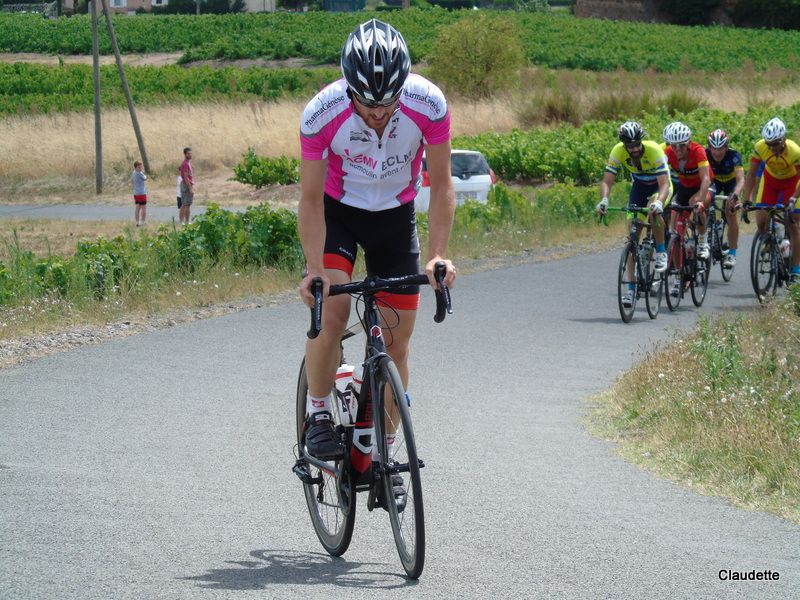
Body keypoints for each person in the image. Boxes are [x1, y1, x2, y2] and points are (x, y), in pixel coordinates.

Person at [297, 19, 456, 461]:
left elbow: (441, 185)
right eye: (368, 107)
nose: (380, 114)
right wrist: (313, 270)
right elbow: (309, 201)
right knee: (332, 310)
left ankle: (384, 449)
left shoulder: (429, 104)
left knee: (397, 342)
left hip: (394, 216)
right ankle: (318, 413)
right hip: (338, 215)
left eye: (388, 104)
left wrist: (439, 254)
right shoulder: (321, 113)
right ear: (349, 90)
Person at [596, 121, 671, 309]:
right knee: (632, 236)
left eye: (637, 144)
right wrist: (604, 200)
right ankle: (631, 288)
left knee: (653, 210)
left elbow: (664, 184)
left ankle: (661, 251)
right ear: (624, 145)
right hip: (639, 186)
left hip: (659, 186)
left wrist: (660, 202)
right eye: (630, 146)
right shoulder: (618, 152)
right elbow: (607, 180)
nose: (635, 149)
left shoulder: (654, 150)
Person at [741, 117, 800, 282]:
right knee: (760, 221)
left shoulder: (795, 151)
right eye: (769, 144)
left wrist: (793, 198)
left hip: (792, 182)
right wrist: (747, 199)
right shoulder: (760, 147)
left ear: (783, 140)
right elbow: (751, 174)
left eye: (775, 143)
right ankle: (770, 241)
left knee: (794, 222)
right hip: (771, 182)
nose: (772, 147)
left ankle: (796, 270)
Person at [662, 121, 714, 266]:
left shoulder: (698, 151)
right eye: (674, 145)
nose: (677, 149)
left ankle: (703, 241)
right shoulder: (668, 153)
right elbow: (660, 175)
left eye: (681, 145)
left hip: (704, 186)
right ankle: (679, 267)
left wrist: (700, 201)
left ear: (688, 143)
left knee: (695, 203)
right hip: (684, 187)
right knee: (673, 220)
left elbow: (705, 179)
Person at [705, 129, 745, 268]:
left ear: (726, 147)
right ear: (710, 147)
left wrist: (735, 195)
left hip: (730, 184)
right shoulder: (704, 154)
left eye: (721, 148)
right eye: (714, 148)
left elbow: (740, 180)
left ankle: (732, 254)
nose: (717, 152)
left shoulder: (734, 156)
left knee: (730, 211)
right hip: (714, 182)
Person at [178, 147, 194, 225]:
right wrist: (190, 188)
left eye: (190, 153)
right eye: (188, 153)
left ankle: (181, 221)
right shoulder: (185, 164)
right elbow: (185, 177)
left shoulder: (187, 163)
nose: (190, 155)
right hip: (186, 185)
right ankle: (187, 222)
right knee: (187, 204)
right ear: (185, 154)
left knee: (184, 204)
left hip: (186, 185)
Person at [131, 160, 147, 227]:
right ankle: (142, 222)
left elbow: (132, 181)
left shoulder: (133, 173)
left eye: (141, 167)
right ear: (135, 167)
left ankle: (137, 222)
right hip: (141, 193)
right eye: (139, 167)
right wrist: (142, 173)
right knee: (144, 208)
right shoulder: (139, 173)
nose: (140, 168)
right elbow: (145, 178)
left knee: (137, 207)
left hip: (136, 193)